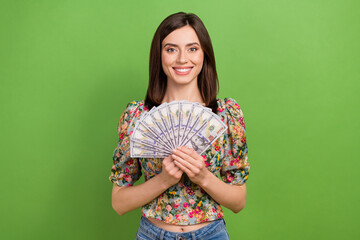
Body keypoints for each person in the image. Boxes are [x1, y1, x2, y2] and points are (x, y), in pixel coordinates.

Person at [109, 12, 250, 240]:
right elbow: (119, 203)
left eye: (192, 48)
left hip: (211, 234)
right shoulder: (137, 116)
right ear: (159, 55)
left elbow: (238, 201)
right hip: (151, 234)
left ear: (205, 55)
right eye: (171, 49)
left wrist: (203, 177)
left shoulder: (226, 115)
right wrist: (163, 180)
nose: (182, 59)